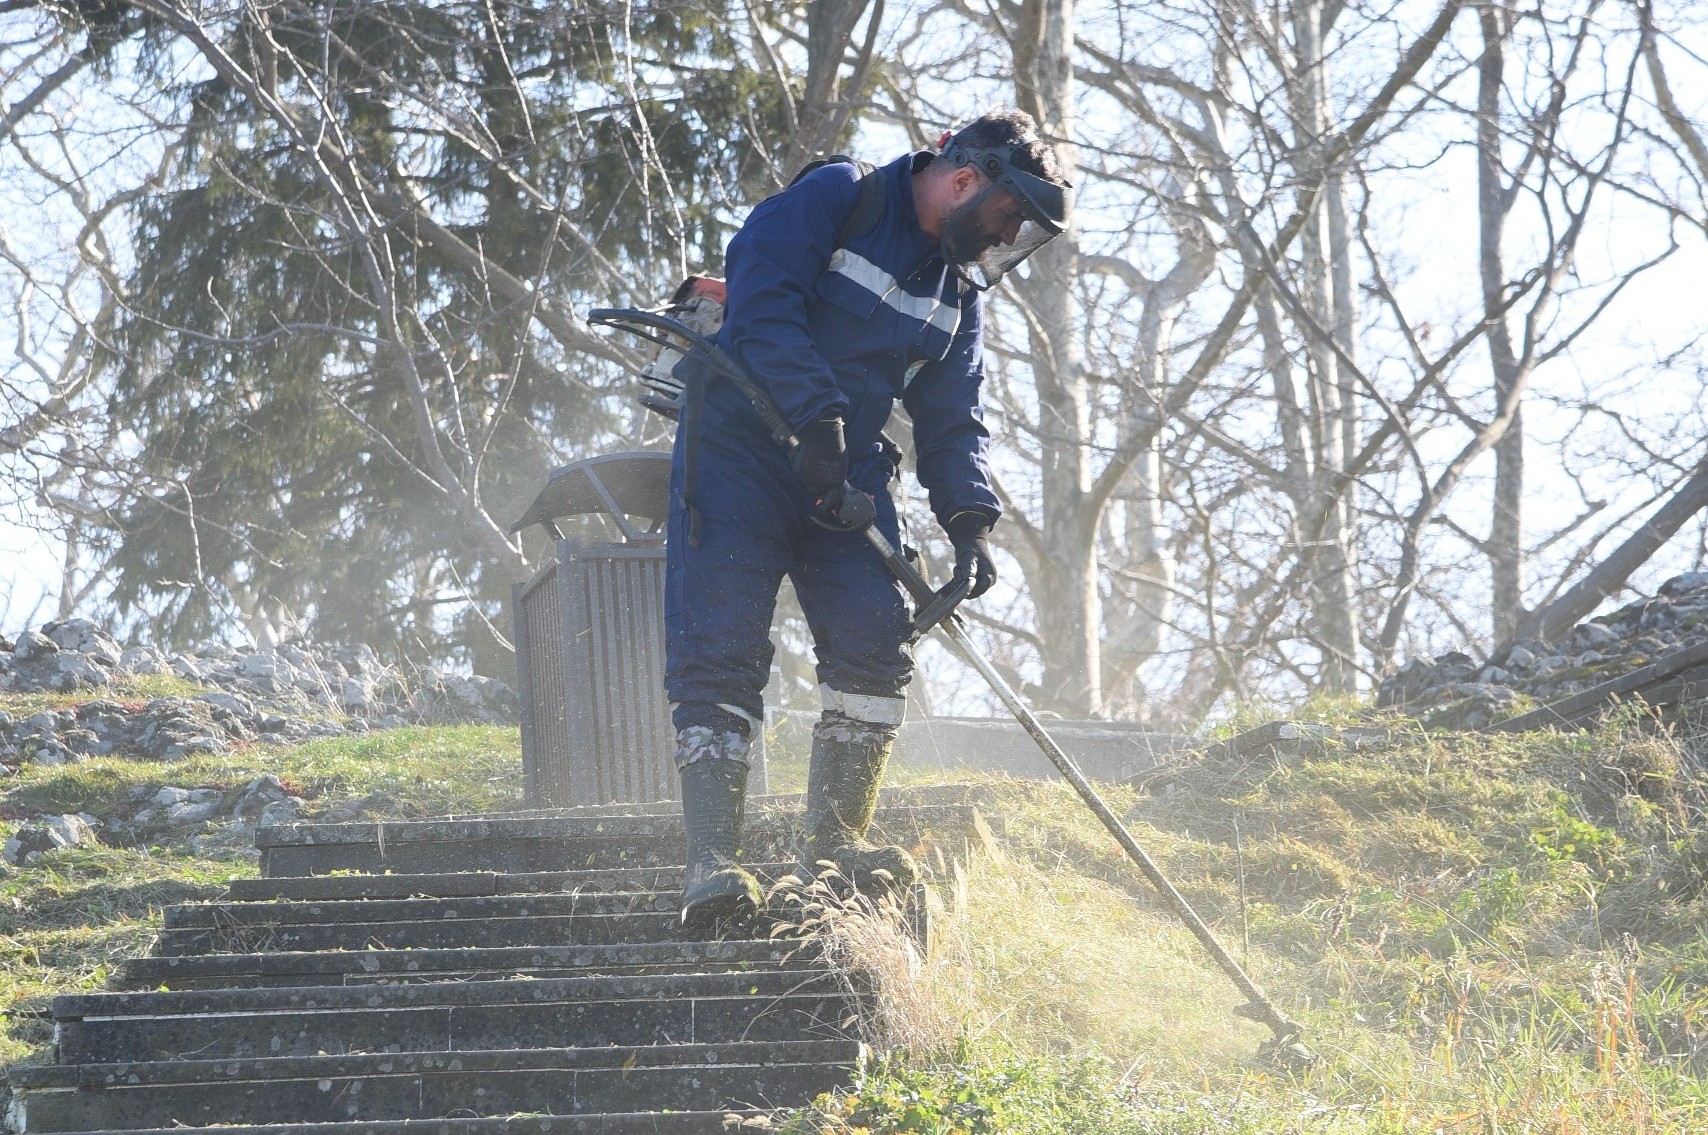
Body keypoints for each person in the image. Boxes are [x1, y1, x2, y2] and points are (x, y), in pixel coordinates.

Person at [665, 110, 1072, 935]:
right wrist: (816, 419)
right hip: (740, 451)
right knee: (721, 646)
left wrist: (969, 524)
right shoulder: (838, 196)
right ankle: (713, 859)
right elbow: (763, 293)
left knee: (875, 643)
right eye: (1003, 219)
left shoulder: (958, 295)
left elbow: (955, 418)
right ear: (965, 179)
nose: (1003, 242)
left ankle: (832, 845)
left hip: (845, 479)